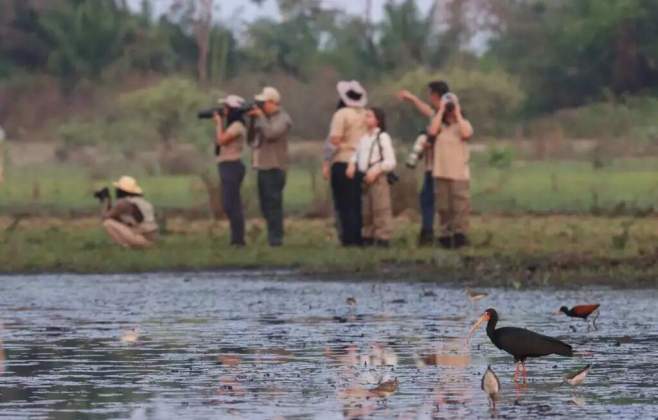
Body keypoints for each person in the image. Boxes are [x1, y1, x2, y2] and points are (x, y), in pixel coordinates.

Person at [397, 81, 450, 246]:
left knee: (435, 200)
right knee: (426, 198)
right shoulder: (437, 113)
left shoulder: (447, 114)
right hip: (431, 165)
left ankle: (440, 234)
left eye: (430, 94)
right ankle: (428, 232)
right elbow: (426, 109)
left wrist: (429, 141)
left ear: (434, 95)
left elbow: (442, 134)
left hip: (441, 166)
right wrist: (411, 98)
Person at [427, 92, 474, 249]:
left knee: (460, 206)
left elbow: (467, 134)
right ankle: (445, 236)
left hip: (459, 173)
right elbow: (432, 132)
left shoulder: (463, 124)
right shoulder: (439, 125)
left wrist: (457, 113)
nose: (449, 109)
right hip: (441, 172)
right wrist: (440, 111)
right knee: (444, 207)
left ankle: (460, 235)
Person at [247, 87, 293, 247]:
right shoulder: (263, 119)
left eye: (263, 102)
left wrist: (260, 117)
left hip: (275, 166)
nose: (260, 106)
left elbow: (272, 134)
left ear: (273, 102)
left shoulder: (283, 118)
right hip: (262, 166)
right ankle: (272, 236)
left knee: (274, 205)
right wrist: (253, 120)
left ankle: (276, 239)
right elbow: (251, 140)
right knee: (265, 205)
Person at [326, 80, 369, 246]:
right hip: (360, 162)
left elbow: (334, 139)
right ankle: (357, 237)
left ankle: (347, 239)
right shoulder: (365, 114)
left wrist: (345, 145)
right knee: (356, 202)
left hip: (343, 160)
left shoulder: (341, 114)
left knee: (343, 202)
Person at [346, 108, 396, 247]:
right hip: (364, 177)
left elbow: (390, 161)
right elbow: (357, 153)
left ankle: (383, 237)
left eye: (369, 116)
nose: (365, 118)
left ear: (377, 120)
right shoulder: (363, 138)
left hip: (378, 177)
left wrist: (376, 170)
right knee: (367, 210)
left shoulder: (382, 137)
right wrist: (352, 164)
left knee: (381, 208)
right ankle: (368, 236)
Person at [214, 95, 248, 246]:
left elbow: (221, 140)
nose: (224, 111)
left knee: (231, 204)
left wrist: (218, 123)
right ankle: (236, 239)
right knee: (231, 204)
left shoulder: (237, 126)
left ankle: (238, 240)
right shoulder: (232, 126)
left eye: (227, 108)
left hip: (232, 165)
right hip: (227, 165)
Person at [101, 176, 158, 249]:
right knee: (120, 221)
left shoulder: (123, 203)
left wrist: (106, 201)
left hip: (143, 239)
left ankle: (125, 246)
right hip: (152, 239)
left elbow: (105, 217)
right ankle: (136, 244)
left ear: (121, 191)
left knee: (107, 223)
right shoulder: (142, 202)